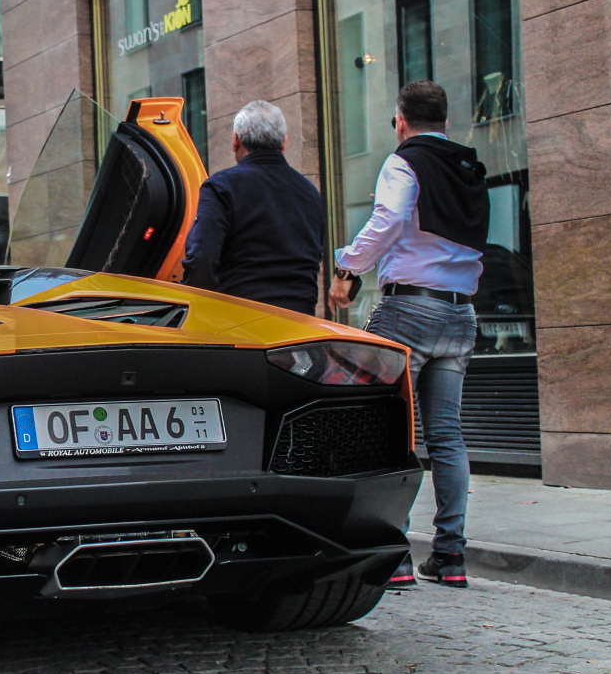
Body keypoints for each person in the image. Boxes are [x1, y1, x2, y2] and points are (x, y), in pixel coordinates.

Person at [328, 80, 490, 591]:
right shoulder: (469, 167)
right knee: (446, 435)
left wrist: (347, 264)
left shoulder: (405, 161)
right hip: (460, 315)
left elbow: (391, 217)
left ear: (401, 121)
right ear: (445, 120)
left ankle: (394, 556)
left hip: (408, 311)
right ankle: (450, 556)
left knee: (388, 431)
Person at [181, 100, 325, 315]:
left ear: (235, 140)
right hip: (300, 322)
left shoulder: (222, 186)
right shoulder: (309, 191)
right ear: (284, 143)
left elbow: (201, 259)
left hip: (239, 323)